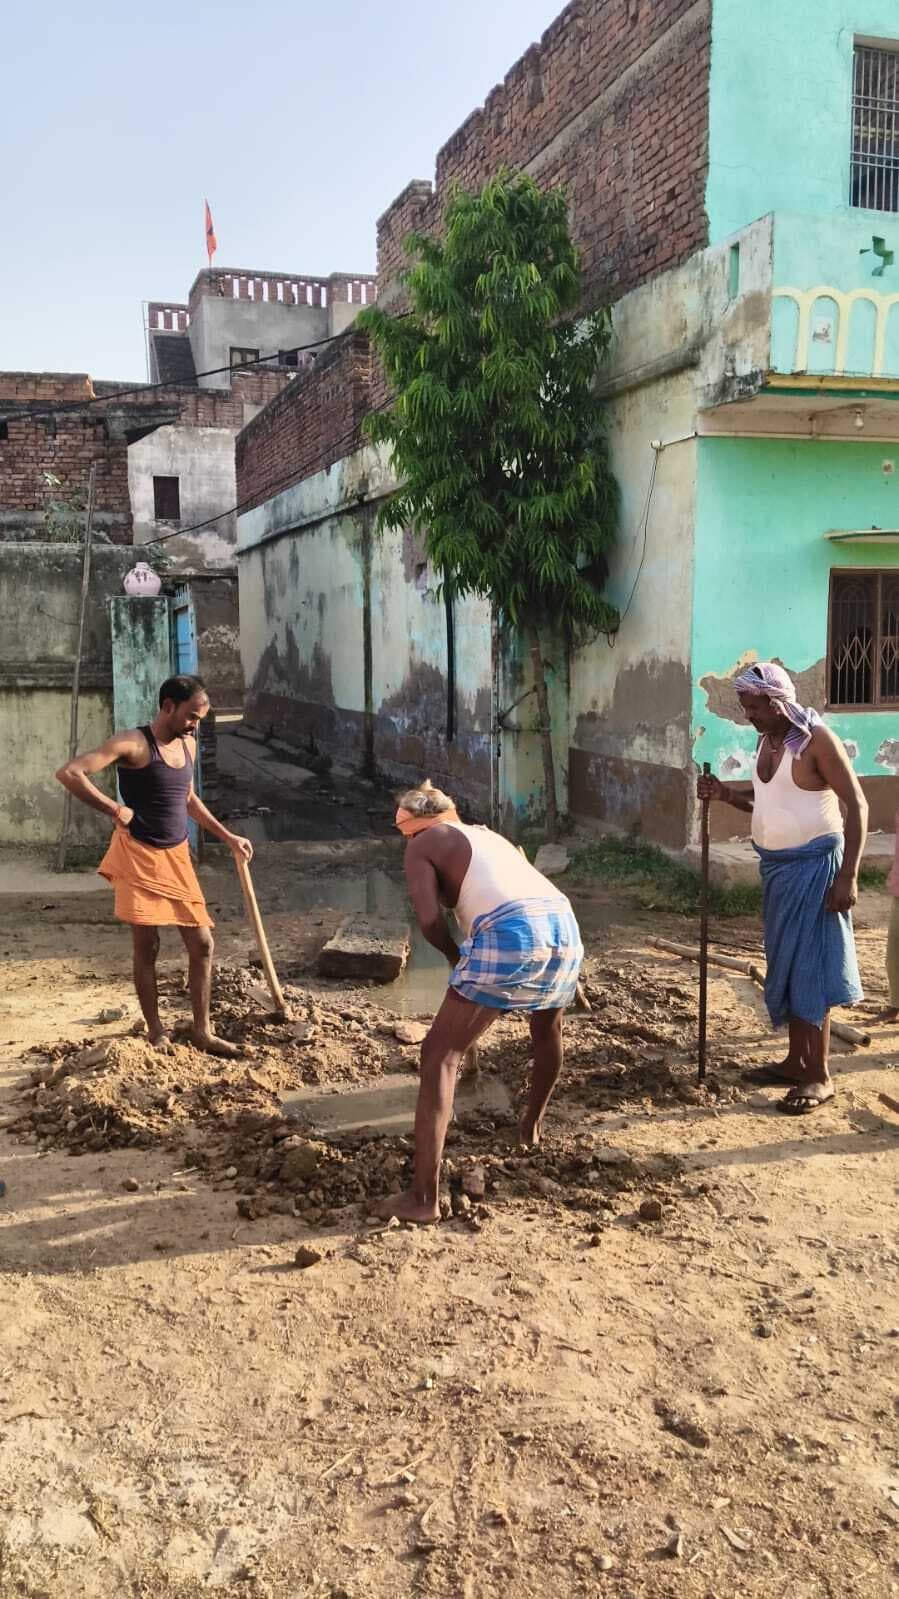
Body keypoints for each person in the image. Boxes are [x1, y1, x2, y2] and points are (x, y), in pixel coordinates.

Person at [378, 780, 584, 1223]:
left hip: (511, 931)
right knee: (547, 1029)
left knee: (438, 1056)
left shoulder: (421, 845)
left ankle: (422, 1199)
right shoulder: (488, 836)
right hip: (563, 924)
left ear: (409, 827)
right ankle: (530, 1128)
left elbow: (430, 920)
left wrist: (455, 956)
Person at [697, 661, 866, 1114]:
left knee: (810, 965)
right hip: (777, 870)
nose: (747, 714)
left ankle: (819, 1075)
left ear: (776, 703)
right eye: (745, 706)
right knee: (787, 963)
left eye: (753, 706)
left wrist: (847, 876)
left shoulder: (815, 740)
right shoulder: (767, 741)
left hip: (815, 868)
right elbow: (769, 801)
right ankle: (795, 1062)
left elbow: (857, 804)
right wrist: (725, 795)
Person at [55, 674, 253, 1055]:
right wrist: (114, 808)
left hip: (177, 857)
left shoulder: (189, 744)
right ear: (167, 706)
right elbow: (70, 773)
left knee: (202, 944)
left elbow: (187, 798)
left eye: (200, 718)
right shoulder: (132, 743)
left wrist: (227, 837)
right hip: (138, 855)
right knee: (147, 946)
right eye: (192, 716)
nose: (196, 724)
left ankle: (203, 1031)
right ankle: (156, 1030)